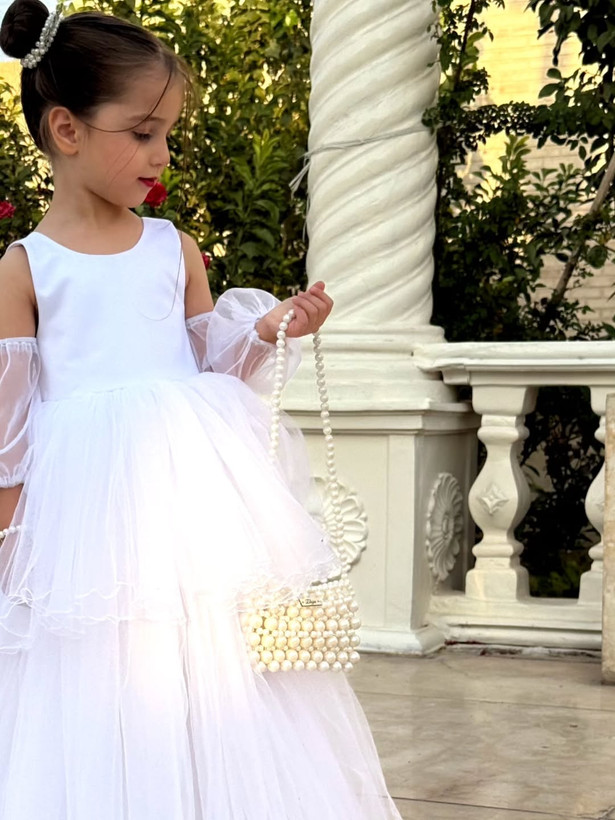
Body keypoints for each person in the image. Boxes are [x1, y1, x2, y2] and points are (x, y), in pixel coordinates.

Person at [0, 1, 403, 818]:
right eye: (143, 132)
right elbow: (7, 434)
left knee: (210, 674)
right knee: (103, 680)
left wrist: (267, 329)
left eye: (168, 133)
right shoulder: (26, 268)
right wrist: (13, 552)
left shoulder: (172, 247)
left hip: (191, 513)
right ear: (67, 129)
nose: (162, 154)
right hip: (83, 527)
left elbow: (211, 366)